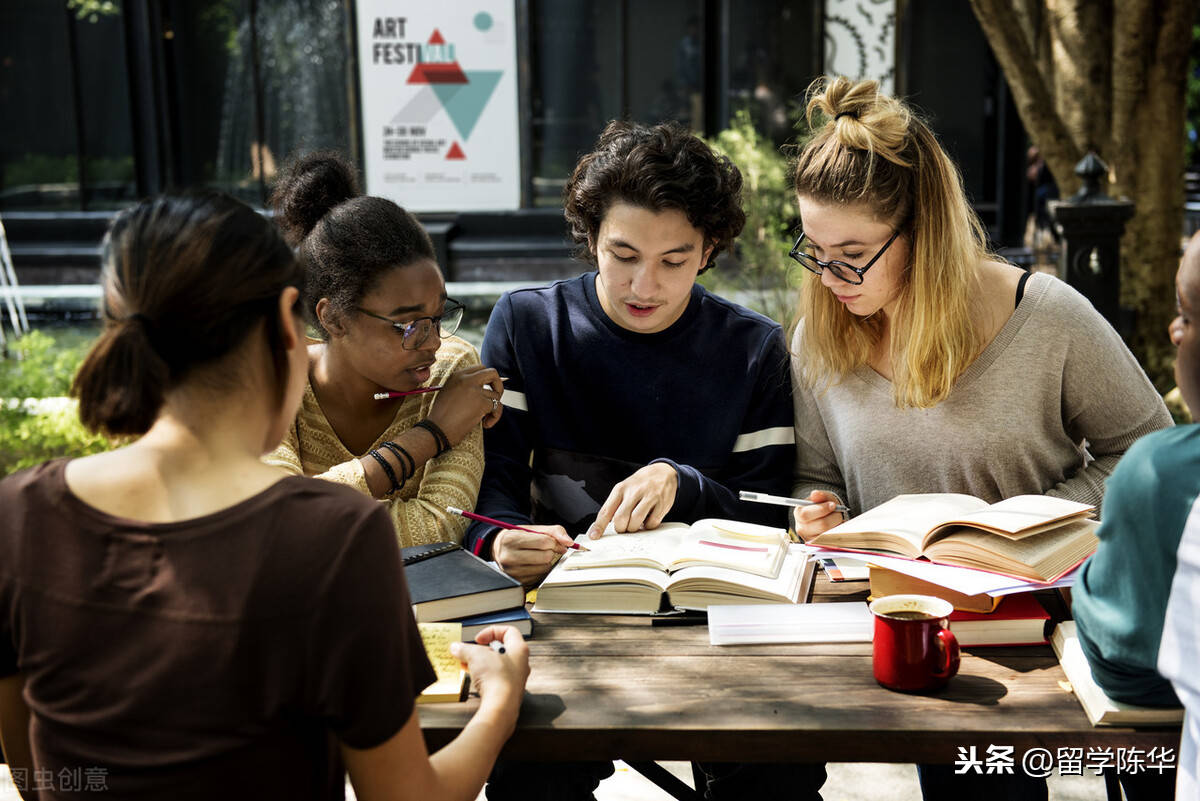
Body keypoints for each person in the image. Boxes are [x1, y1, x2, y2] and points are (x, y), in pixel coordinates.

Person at [0, 191, 529, 801]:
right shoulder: (330, 535)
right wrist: (502, 702)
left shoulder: (18, 515)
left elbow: (33, 776)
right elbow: (407, 798)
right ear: (293, 320)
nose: (430, 342)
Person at [787, 77, 1173, 801]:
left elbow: (1153, 456)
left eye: (853, 252)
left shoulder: (1048, 315)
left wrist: (1028, 525)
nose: (831, 275)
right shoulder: (820, 336)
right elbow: (818, 478)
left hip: (1049, 639)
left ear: (921, 231)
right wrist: (818, 516)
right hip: (911, 638)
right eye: (814, 250)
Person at [465, 120, 820, 799]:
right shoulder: (527, 325)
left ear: (710, 249)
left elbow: (772, 514)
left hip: (715, 626)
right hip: (564, 626)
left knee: (779, 774)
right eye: (622, 253)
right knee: (528, 777)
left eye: (674, 260)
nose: (643, 284)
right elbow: (487, 491)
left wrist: (683, 484)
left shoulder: (753, 350)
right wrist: (499, 538)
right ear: (591, 233)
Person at [265, 151, 503, 547]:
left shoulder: (452, 373)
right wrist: (433, 434)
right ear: (334, 318)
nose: (432, 342)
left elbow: (441, 528)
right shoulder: (275, 378)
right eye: (408, 325)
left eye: (439, 316)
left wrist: (316, 514)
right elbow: (276, 517)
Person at [1074, 231, 1200, 800]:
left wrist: (1088, 577)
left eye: (1189, 314)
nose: (1175, 331)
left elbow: (1121, 662)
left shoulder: (1164, 479)